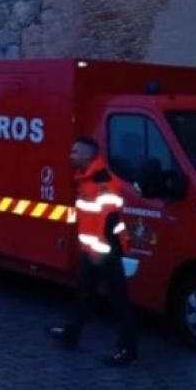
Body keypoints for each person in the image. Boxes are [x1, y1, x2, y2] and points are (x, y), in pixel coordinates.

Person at [49, 136, 138, 366]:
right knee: (84, 295)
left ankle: (127, 349)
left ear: (89, 154)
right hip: (94, 250)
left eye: (76, 151)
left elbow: (107, 221)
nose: (71, 155)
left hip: (105, 251)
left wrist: (100, 251)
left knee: (118, 301)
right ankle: (71, 334)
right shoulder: (87, 178)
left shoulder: (103, 181)